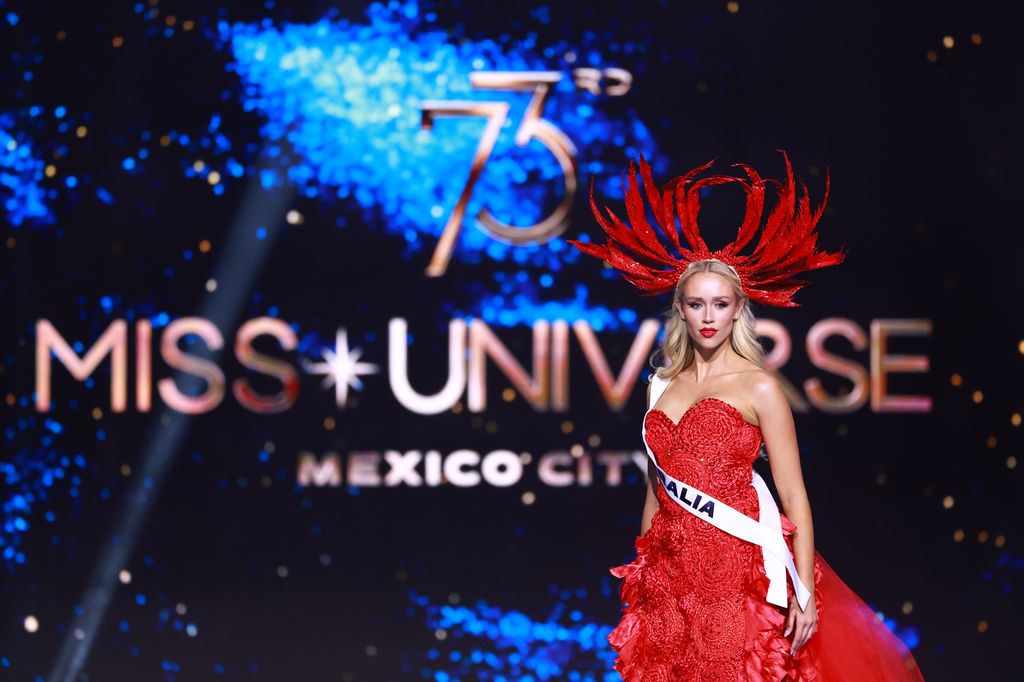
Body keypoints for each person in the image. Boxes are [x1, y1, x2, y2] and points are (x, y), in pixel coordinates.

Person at [567, 153, 925, 681]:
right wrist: (642, 580)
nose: (707, 317)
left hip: (740, 570)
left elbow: (794, 494)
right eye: (695, 305)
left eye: (719, 304)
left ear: (739, 308)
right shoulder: (661, 386)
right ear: (681, 310)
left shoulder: (759, 386)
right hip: (670, 576)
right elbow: (655, 492)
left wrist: (803, 591)